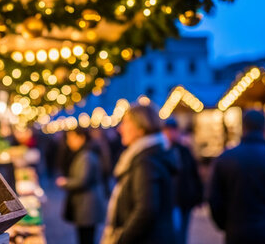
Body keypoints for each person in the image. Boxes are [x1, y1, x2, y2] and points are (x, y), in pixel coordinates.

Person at [209, 110, 265, 244]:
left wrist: (226, 224)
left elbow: (214, 200)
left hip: (237, 231)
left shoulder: (225, 159)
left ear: (243, 127)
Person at [101, 104, 177, 244]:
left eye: (126, 122)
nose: (120, 128)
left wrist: (122, 239)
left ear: (141, 128)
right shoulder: (151, 154)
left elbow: (145, 211)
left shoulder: (145, 161)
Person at [56, 127, 106, 244]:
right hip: (86, 203)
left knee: (86, 237)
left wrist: (65, 182)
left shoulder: (86, 155)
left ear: (81, 138)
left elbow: (82, 180)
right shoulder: (84, 152)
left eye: (72, 138)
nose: (69, 142)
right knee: (85, 236)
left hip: (88, 204)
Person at [163, 119, 203, 244]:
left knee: (182, 234)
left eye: (173, 131)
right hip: (169, 200)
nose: (171, 134)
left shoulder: (184, 151)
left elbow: (194, 174)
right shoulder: (162, 152)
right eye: (168, 131)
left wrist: (198, 196)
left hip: (184, 199)